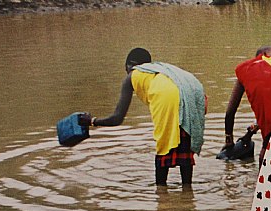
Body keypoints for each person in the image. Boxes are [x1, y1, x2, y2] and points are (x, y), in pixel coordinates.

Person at [80, 47, 206, 186]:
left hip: (167, 96)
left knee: (163, 146)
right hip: (193, 93)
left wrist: (92, 121)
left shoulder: (133, 74)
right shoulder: (161, 71)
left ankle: (161, 194)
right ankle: (187, 195)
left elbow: (117, 118)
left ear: (128, 65)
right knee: (185, 149)